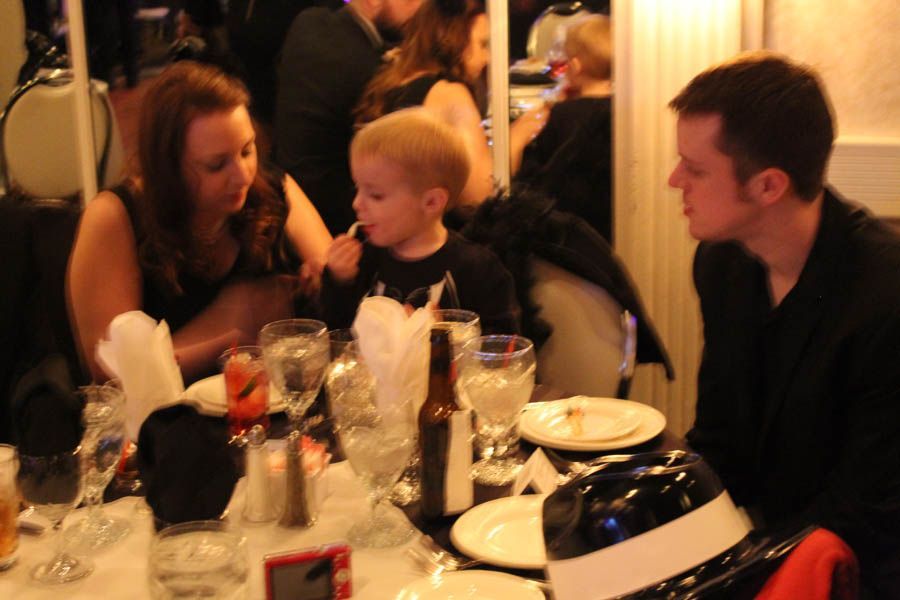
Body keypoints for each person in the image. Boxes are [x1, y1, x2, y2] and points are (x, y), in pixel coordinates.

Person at [668, 52, 900, 595]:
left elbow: (866, 506)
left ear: (769, 186)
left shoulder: (884, 296)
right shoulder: (722, 262)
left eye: (695, 169)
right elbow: (722, 438)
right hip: (768, 539)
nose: (674, 180)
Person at [68, 61, 333, 384]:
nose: (242, 175)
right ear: (169, 168)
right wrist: (227, 331)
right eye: (216, 165)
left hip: (266, 409)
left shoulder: (272, 189)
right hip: (166, 423)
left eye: (247, 150)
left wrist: (323, 280)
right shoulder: (117, 217)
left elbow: (330, 273)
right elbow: (113, 374)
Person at [321, 108, 521, 333]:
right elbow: (335, 330)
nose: (357, 204)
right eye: (357, 189)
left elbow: (503, 349)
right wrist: (340, 280)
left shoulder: (478, 270)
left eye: (376, 195)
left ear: (432, 202)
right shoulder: (366, 260)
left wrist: (440, 338)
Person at [355, 0, 547, 208]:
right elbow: (480, 197)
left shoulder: (394, 80)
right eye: (483, 45)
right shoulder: (448, 94)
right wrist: (518, 135)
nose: (489, 57)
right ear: (453, 40)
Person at [274, 0, 423, 235]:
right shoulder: (366, 69)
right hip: (343, 232)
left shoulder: (309, 23)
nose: (422, 7)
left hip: (293, 210)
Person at [515, 14, 613, 241]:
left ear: (575, 67)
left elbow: (540, 174)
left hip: (569, 224)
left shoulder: (562, 114)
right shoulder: (622, 111)